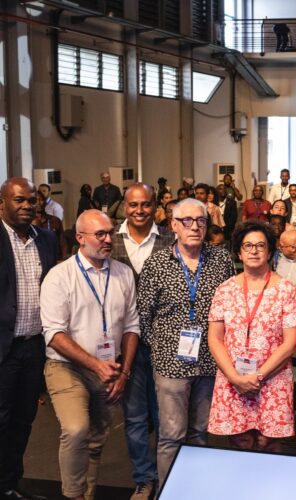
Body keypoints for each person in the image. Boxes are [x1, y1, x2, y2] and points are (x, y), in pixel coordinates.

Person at [41, 210, 140, 500]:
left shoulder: (123, 273)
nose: (108, 239)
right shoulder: (59, 276)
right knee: (76, 430)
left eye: (110, 233)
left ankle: (87, 495)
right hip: (66, 368)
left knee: (97, 440)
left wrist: (124, 372)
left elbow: (131, 326)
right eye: (100, 234)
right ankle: (73, 495)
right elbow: (54, 334)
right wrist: (96, 366)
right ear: (80, 238)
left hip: (110, 368)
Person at [136, 198, 235, 482]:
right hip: (171, 364)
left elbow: (231, 308)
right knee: (171, 435)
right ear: (174, 225)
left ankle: (194, 489)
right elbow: (144, 315)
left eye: (201, 221)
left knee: (200, 433)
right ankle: (169, 491)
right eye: (187, 221)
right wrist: (162, 348)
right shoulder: (156, 264)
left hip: (210, 361)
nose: (195, 227)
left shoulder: (221, 260)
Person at [207, 221, 296, 451]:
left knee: (268, 443)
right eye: (247, 246)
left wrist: (259, 376)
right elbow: (215, 339)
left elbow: (291, 342)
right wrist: (235, 378)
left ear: (269, 252)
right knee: (241, 442)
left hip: (273, 379)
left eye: (260, 245)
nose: (254, 251)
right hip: (233, 379)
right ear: (239, 252)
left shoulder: (285, 289)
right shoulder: (225, 290)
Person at [109, 183, 173, 499]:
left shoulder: (171, 240)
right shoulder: (109, 239)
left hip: (164, 345)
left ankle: (166, 479)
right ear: (125, 205)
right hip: (124, 344)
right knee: (134, 418)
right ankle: (144, 479)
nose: (139, 210)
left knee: (165, 419)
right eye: (133, 205)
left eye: (145, 204)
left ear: (155, 206)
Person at [0, 178, 58, 500]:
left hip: (35, 347)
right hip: (3, 350)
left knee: (24, 421)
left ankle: (10, 484)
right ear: (2, 203)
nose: (27, 206)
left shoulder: (47, 239)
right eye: (19, 200)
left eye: (31, 200)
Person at [32, 190, 65, 261]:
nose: (38, 203)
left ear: (45, 202)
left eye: (41, 200)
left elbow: (62, 243)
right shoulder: (28, 223)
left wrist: (63, 260)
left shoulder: (55, 220)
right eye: (35, 200)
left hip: (56, 260)